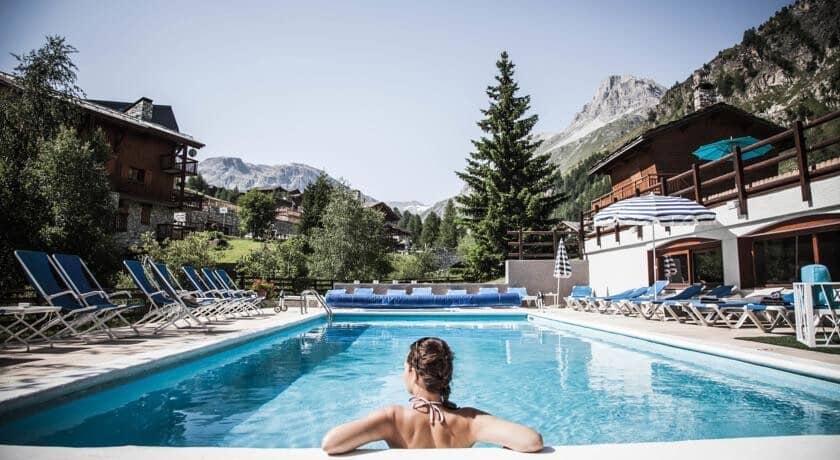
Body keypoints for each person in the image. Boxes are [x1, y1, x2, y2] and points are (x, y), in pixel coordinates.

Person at [321, 337, 544, 454]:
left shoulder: (392, 419)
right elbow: (531, 441)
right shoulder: (470, 421)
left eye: (404, 368)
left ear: (413, 373)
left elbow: (331, 443)